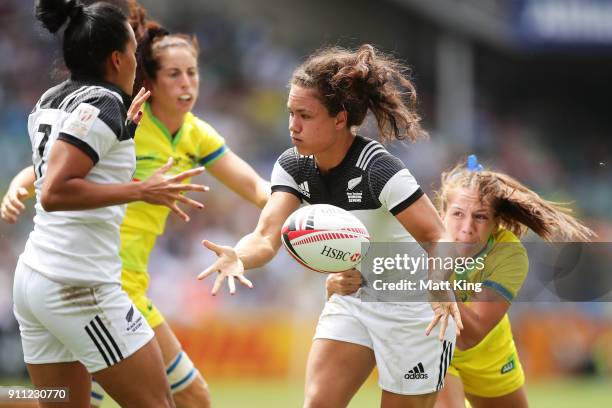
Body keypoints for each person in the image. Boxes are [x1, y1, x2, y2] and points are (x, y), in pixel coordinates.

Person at [3, 2, 270, 406]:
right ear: (118, 59)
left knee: (61, 404)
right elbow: (55, 187)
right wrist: (140, 190)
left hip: (37, 276)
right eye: (133, 52)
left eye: (192, 73)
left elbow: (53, 165)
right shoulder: (108, 104)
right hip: (83, 283)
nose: (187, 84)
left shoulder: (54, 99)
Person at [198, 44, 462, 408]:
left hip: (415, 308)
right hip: (352, 298)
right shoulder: (293, 165)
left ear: (340, 118)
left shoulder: (379, 169)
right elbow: (266, 235)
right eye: (290, 113)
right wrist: (240, 256)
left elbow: (439, 236)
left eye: (305, 115)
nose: (293, 126)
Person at [327, 155, 595, 408]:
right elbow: (356, 284)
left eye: (480, 217)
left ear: (496, 223)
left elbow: (472, 335)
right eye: (457, 214)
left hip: (488, 354)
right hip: (430, 346)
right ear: (441, 213)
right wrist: (336, 284)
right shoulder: (411, 238)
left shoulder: (508, 253)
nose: (467, 227)